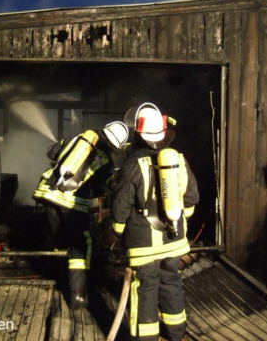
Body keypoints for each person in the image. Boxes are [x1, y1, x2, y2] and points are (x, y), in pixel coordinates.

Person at [108, 103, 199, 341]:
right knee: (171, 282)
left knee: (145, 288)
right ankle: (176, 333)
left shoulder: (131, 167)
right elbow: (191, 199)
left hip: (143, 242)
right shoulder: (179, 160)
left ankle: (146, 337)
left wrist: (119, 232)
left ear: (138, 136)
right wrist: (177, 222)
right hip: (174, 239)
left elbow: (119, 209)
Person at [33, 121, 129, 309]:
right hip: (72, 203)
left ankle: (56, 276)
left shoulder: (78, 138)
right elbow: (107, 186)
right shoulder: (107, 161)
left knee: (57, 239)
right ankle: (77, 296)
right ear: (115, 146)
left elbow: (52, 152)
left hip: (48, 194)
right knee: (80, 246)